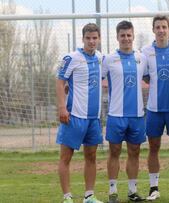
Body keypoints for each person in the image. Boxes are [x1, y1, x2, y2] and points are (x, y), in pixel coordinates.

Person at [56, 23, 103, 203]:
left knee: (91, 156)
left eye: (94, 38)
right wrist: (62, 107)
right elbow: (60, 82)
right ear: (83, 39)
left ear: (99, 39)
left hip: (93, 119)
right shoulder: (72, 57)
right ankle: (67, 197)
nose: (91, 41)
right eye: (88, 38)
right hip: (74, 116)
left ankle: (89, 196)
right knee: (66, 157)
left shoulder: (100, 57)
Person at [141, 15, 169, 201]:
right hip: (154, 109)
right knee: (154, 146)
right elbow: (145, 77)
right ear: (153, 30)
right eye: (158, 27)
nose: (161, 30)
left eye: (164, 27)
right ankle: (154, 188)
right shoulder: (145, 51)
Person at [103, 21, 147, 203]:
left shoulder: (142, 58)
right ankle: (113, 190)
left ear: (133, 36)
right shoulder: (109, 59)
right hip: (116, 114)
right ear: (117, 37)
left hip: (137, 115)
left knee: (135, 151)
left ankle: (132, 190)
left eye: (129, 35)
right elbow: (95, 79)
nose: (126, 38)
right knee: (114, 151)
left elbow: (150, 78)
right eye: (123, 35)